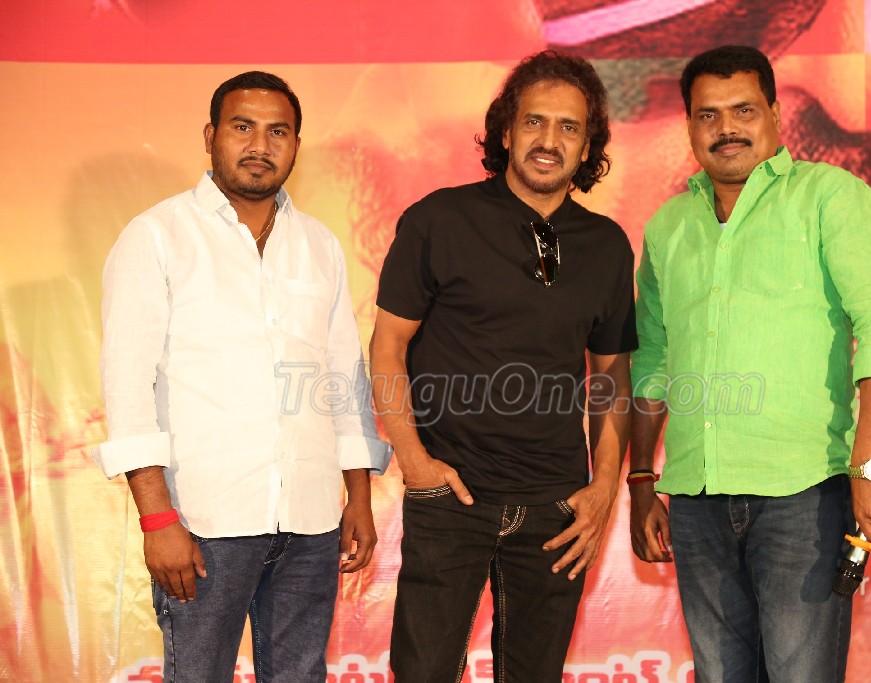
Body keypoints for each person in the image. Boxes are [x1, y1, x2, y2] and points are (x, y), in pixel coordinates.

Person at [628, 45, 871, 682]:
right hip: (697, 500)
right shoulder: (668, 227)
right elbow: (651, 358)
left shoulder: (830, 198)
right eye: (708, 115)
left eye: (743, 110)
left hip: (803, 497)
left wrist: (869, 465)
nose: (726, 128)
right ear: (689, 126)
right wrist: (642, 480)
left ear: (776, 115)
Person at [95, 71, 391, 683]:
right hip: (205, 523)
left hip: (311, 520)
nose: (260, 145)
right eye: (243, 127)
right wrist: (158, 520)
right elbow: (128, 386)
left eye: (278, 131)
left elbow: (342, 378)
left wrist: (358, 498)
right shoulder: (157, 235)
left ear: (296, 144)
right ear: (211, 137)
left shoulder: (319, 245)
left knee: (299, 676)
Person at [370, 51, 636, 682]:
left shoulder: (606, 245)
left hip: (557, 508)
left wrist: (603, 487)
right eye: (534, 122)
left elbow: (612, 378)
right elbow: (387, 347)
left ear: (587, 146)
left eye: (569, 127)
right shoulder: (439, 219)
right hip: (449, 495)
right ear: (507, 132)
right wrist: (415, 462)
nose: (549, 141)